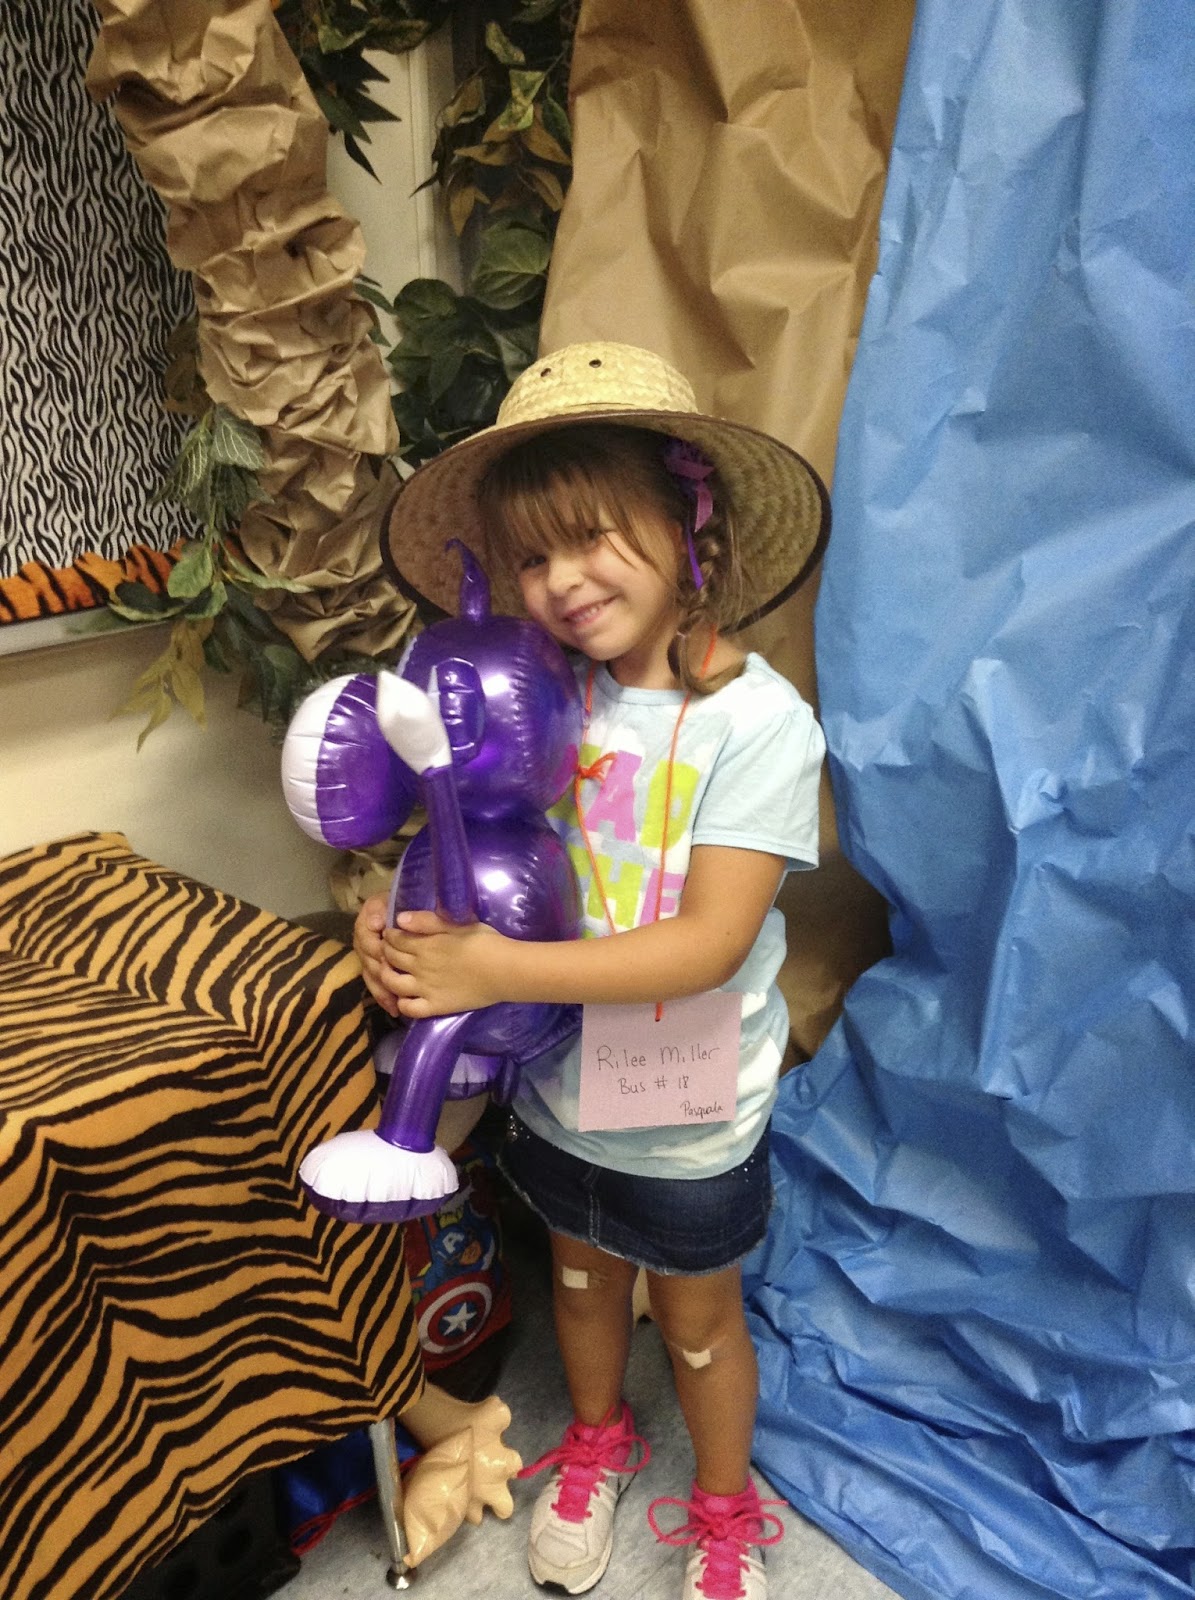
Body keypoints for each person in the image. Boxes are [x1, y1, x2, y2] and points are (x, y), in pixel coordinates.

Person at [357, 342, 828, 1600]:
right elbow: (464, 843)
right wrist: (393, 919)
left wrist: (493, 964)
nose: (561, 581)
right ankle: (597, 1442)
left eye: (590, 537)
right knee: (575, 1280)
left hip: (691, 1125)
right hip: (559, 1097)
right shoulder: (534, 703)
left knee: (697, 1322)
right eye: (530, 557)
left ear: (687, 523)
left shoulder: (758, 724)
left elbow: (711, 941)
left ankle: (722, 1508)